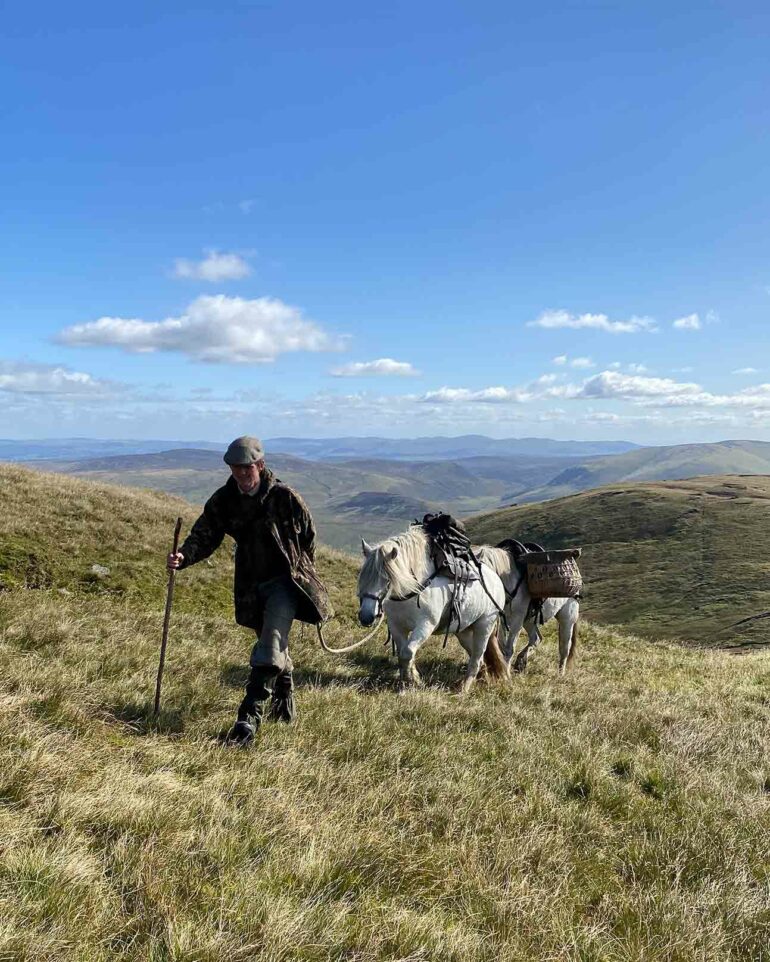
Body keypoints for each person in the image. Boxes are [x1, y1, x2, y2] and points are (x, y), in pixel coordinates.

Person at [167, 436, 332, 745]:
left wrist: (299, 570)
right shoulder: (224, 500)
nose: (242, 475)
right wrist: (184, 556)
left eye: (247, 468)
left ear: (260, 465)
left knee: (269, 645)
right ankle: (284, 696)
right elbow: (205, 534)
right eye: (236, 469)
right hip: (250, 585)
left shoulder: (285, 497)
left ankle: (247, 721)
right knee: (270, 642)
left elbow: (308, 535)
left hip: (284, 583)